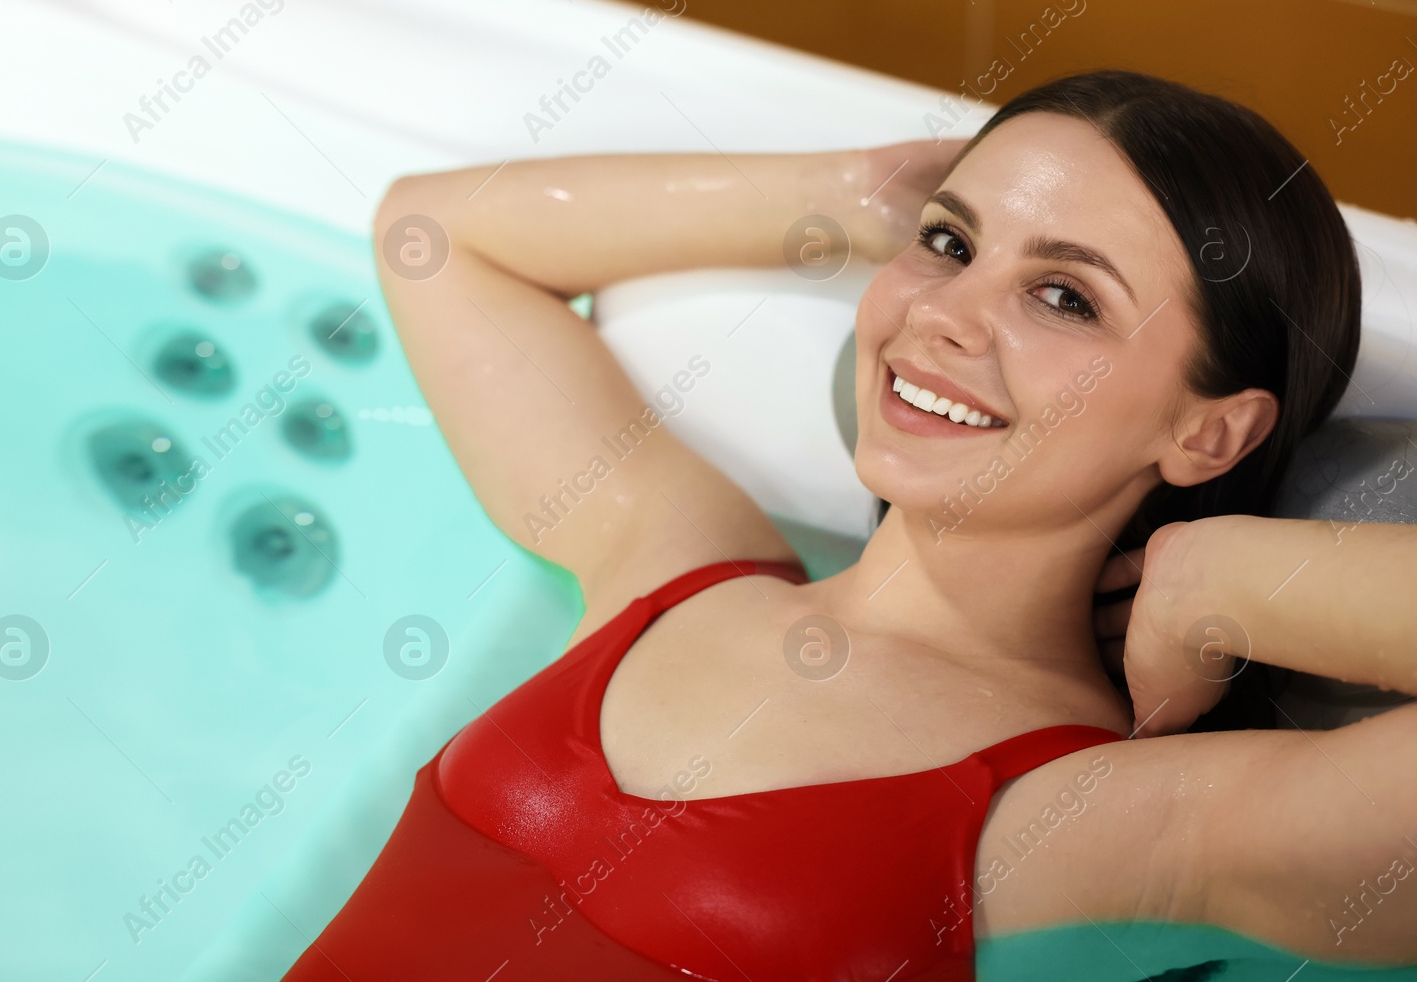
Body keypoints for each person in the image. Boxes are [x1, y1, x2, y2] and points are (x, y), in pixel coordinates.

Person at [283, 70, 1417, 981]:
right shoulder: (674, 564)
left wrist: (1214, 575)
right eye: (950, 243)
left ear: (1208, 434)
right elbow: (432, 234)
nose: (940, 314)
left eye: (1063, 296)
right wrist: (858, 191)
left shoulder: (1105, 823)